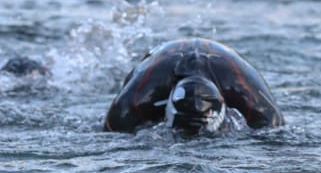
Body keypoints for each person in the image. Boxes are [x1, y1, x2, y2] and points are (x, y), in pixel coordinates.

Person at [103, 38, 284, 135]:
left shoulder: (250, 96)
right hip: (159, 62)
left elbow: (276, 135)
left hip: (227, 63)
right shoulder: (136, 98)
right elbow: (110, 133)